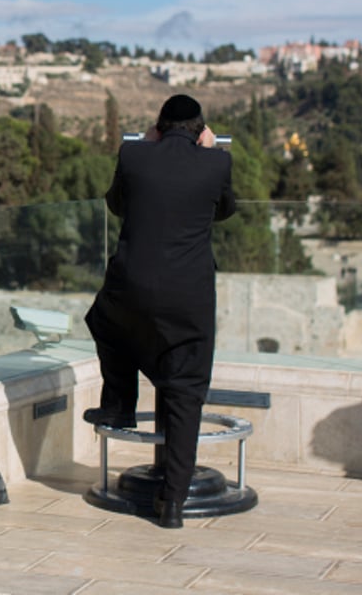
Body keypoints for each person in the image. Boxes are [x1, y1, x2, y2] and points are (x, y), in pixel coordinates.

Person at [83, 94, 236, 528]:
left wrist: (147, 146)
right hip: (189, 298)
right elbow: (225, 210)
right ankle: (172, 504)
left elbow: (116, 203)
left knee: (104, 322)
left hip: (131, 290)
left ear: (158, 127)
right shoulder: (217, 163)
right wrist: (207, 153)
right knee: (186, 391)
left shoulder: (133, 154)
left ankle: (119, 404)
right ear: (200, 128)